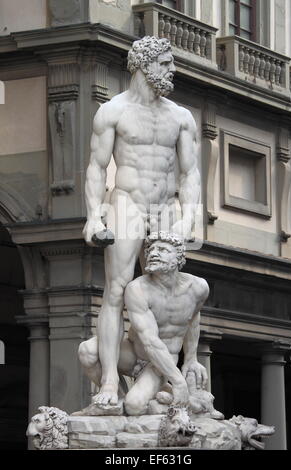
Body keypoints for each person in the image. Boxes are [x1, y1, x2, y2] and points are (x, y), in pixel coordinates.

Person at [83, 36, 201, 406]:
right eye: (165, 63)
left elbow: (190, 173)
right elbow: (97, 168)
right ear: (143, 65)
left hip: (166, 207)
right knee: (116, 291)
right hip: (127, 204)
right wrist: (92, 216)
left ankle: (173, 374)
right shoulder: (113, 111)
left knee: (173, 289)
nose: (172, 70)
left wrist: (189, 219)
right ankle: (106, 382)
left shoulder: (181, 116)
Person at [79, 232, 209, 415]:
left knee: (135, 406)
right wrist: (179, 381)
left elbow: (192, 319)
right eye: (151, 249)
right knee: (87, 350)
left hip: (160, 363)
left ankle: (164, 397)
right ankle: (116, 402)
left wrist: (191, 358)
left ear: (179, 257)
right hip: (134, 352)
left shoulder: (199, 287)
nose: (154, 253)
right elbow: (150, 340)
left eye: (163, 249)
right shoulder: (138, 289)